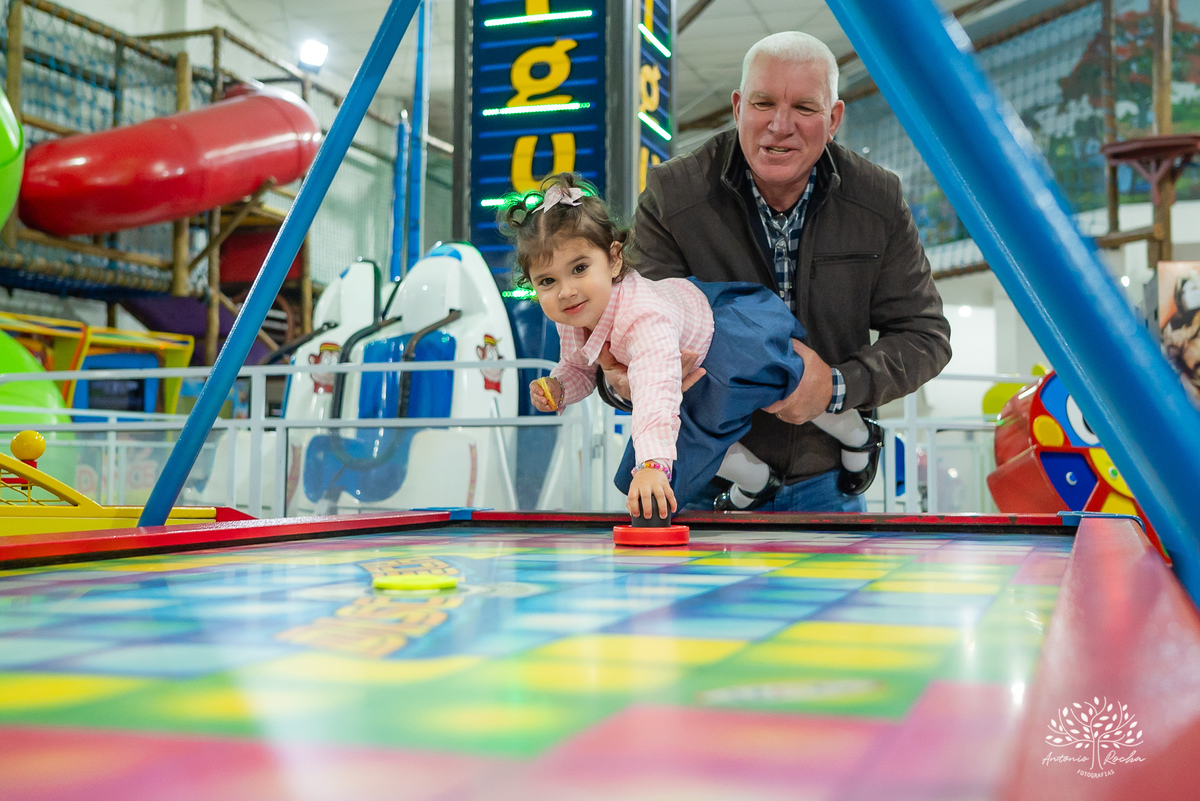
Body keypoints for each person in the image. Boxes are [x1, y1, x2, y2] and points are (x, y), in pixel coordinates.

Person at [600, 30, 952, 512]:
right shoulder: (674, 195)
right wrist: (619, 384)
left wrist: (836, 386)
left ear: (833, 119)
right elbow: (626, 329)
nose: (779, 125)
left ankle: (853, 442)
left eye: (804, 108)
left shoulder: (876, 200)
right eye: (763, 103)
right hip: (701, 480)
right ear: (737, 107)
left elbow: (925, 336)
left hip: (824, 485)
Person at [499, 173, 877, 519]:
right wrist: (560, 386)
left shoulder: (641, 319)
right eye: (547, 281)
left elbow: (655, 395)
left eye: (579, 268)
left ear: (614, 260)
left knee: (789, 387)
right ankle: (759, 482)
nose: (566, 291)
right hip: (686, 366)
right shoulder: (574, 313)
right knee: (692, 444)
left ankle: (859, 436)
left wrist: (652, 466)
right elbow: (580, 366)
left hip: (724, 340)